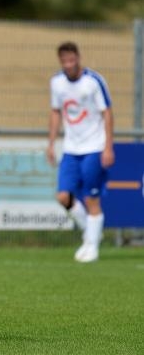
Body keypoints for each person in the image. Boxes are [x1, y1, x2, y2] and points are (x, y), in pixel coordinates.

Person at [46, 41, 114, 263]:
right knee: (63, 196)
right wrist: (51, 142)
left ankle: (92, 247)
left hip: (94, 147)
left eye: (72, 60)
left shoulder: (93, 81)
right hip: (71, 149)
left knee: (91, 198)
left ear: (78, 58)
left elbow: (107, 113)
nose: (68, 64)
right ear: (60, 62)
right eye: (64, 61)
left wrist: (108, 146)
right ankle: (91, 233)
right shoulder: (56, 83)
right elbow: (56, 112)